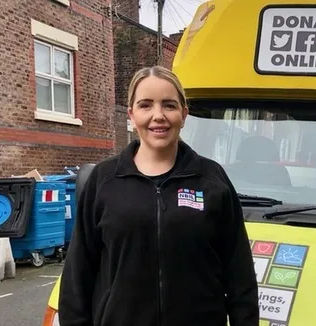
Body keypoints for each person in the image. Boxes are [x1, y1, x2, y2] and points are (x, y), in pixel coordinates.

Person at [58, 66, 259, 326]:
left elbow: (239, 275)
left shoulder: (212, 180)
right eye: (145, 105)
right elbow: (77, 276)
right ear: (131, 114)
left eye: (169, 105)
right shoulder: (104, 180)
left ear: (184, 114)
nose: (158, 116)